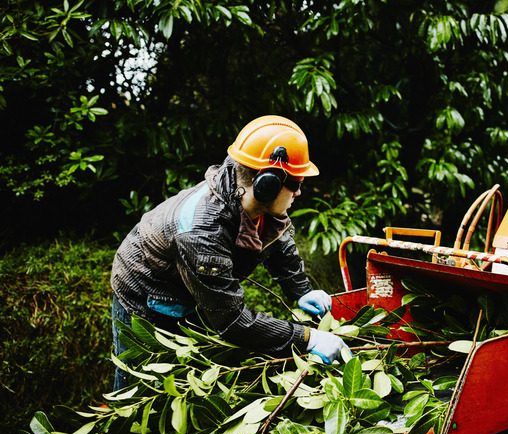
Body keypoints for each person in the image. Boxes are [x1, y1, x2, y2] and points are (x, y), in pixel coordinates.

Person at [110, 115, 349, 390]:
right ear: (266, 183)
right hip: (146, 292)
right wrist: (308, 338)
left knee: (193, 376)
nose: (299, 192)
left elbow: (280, 241)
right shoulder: (201, 231)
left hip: (195, 282)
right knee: (141, 386)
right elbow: (233, 321)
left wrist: (301, 290)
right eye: (295, 183)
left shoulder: (260, 203)